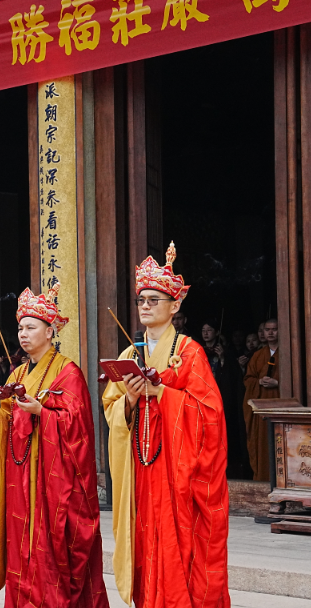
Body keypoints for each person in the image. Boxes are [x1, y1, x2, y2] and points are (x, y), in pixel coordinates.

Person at [103, 243, 229, 608]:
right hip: (139, 468)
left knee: (181, 546)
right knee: (143, 541)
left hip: (177, 473)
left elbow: (210, 416)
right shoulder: (129, 354)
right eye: (141, 299)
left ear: (174, 306)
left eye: (154, 299)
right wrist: (128, 399)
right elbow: (111, 408)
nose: (145, 305)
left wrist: (162, 393)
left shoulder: (188, 352)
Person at [0, 283, 107, 607]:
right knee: (21, 550)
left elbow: (79, 431)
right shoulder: (17, 372)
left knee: (53, 552)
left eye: (31, 327)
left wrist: (43, 414)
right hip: (21, 482)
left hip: (52, 486)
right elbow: (7, 423)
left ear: (50, 331)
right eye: (20, 327)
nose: (23, 334)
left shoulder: (68, 373)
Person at [202, 319, 249, 479]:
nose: (206, 333)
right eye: (203, 330)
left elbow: (232, 377)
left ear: (216, 333)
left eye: (209, 330)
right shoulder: (198, 351)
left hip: (221, 398)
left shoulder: (226, 352)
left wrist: (222, 359)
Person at [243, 318, 280, 482]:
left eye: (274, 329)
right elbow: (248, 379)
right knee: (263, 443)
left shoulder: (289, 352)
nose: (270, 333)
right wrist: (258, 382)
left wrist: (278, 383)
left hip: (280, 405)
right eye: (267, 329)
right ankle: (263, 478)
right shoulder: (258, 355)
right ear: (263, 332)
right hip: (261, 408)